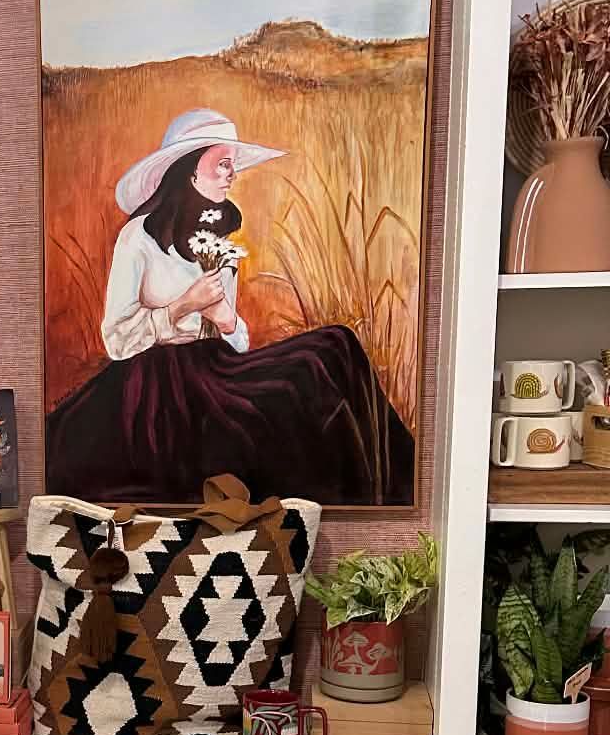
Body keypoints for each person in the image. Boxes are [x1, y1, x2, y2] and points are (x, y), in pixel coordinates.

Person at [45, 107, 415, 507]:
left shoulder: (219, 240)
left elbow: (237, 343)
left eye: (232, 165)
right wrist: (182, 306)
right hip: (159, 380)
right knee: (290, 392)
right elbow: (116, 341)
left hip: (216, 367)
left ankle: (391, 491)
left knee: (336, 344)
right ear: (190, 171)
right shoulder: (138, 238)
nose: (231, 174)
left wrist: (226, 320)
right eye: (222, 164)